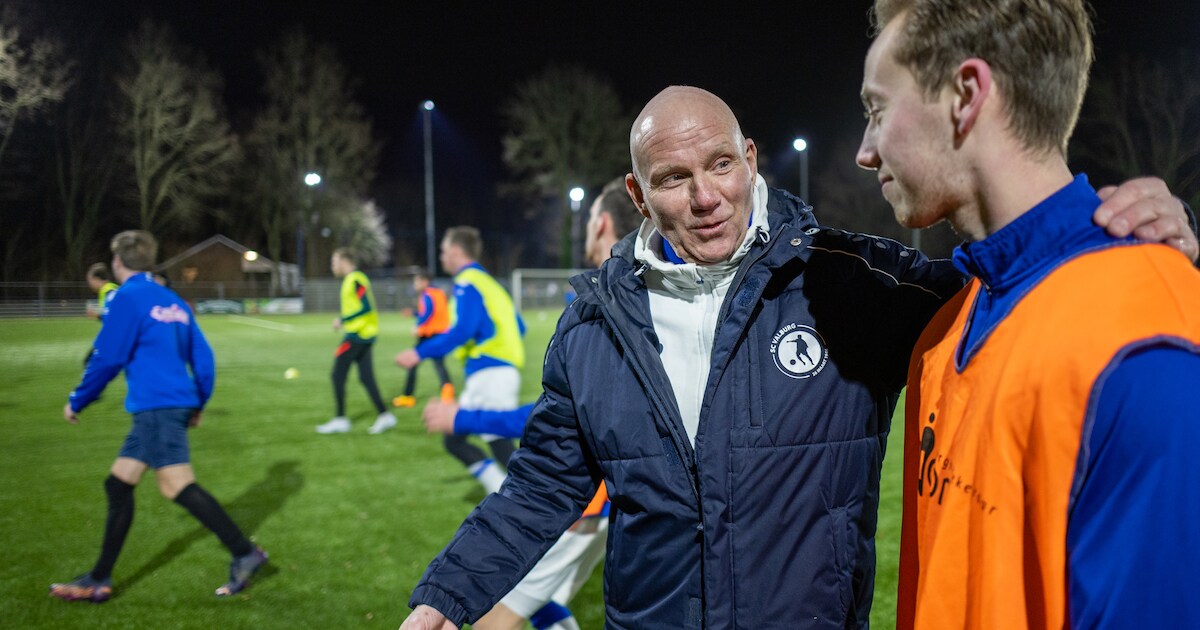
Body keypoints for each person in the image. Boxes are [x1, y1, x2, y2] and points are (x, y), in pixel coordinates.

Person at [399, 86, 1196, 629]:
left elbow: (1017, 286)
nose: (705, 195)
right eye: (673, 179)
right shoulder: (592, 325)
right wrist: (445, 595)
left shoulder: (848, 280)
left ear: (749, 158)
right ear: (640, 198)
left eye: (719, 165)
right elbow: (539, 488)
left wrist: (1121, 232)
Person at [855, 2, 1200, 628]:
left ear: (965, 94)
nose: (866, 151)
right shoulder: (950, 324)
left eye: (877, 111)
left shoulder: (1147, 342)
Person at [414, 176, 641, 630]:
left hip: (588, 499)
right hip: (610, 498)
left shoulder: (611, 310)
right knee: (540, 606)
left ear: (603, 224)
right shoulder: (643, 301)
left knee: (492, 619)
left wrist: (461, 416)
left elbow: (554, 423)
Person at [52, 230, 267, 603]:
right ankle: (99, 577)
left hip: (156, 407)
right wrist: (197, 403)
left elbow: (107, 356)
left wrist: (78, 399)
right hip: (171, 404)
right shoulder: (174, 302)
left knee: (176, 485)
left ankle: (244, 552)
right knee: (119, 485)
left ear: (118, 262)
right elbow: (204, 359)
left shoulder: (127, 298)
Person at [395, 227, 524, 495]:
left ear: (455, 252)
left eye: (443, 251)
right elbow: (519, 326)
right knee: (456, 439)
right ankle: (507, 492)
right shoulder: (490, 284)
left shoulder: (468, 282)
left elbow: (464, 329)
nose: (442, 257)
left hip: (490, 371)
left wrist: (419, 353)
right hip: (497, 370)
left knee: (496, 442)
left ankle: (529, 498)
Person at [316, 247, 398, 435]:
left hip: (357, 336)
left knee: (337, 375)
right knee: (366, 377)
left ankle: (340, 419)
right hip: (364, 334)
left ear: (345, 261)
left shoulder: (355, 279)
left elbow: (366, 306)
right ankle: (385, 416)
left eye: (334, 262)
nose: (332, 266)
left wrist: (342, 320)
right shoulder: (352, 280)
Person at [393, 271, 454, 409]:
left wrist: (418, 325)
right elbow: (433, 311)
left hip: (428, 335)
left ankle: (408, 397)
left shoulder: (426, 294)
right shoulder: (438, 293)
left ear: (424, 281)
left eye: (417, 281)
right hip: (440, 334)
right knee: (440, 365)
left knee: (413, 363)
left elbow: (428, 312)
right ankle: (448, 395)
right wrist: (413, 313)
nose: (415, 285)